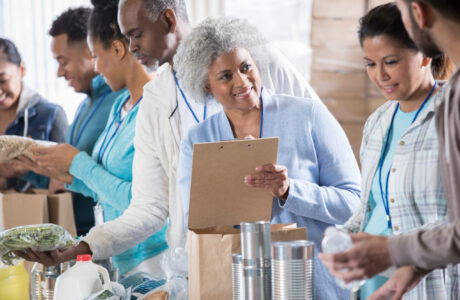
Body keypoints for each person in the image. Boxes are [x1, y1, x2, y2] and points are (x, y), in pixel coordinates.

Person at [16, 0, 322, 278]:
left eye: (136, 34)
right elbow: (148, 207)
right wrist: (82, 247)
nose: (131, 47)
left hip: (277, 255)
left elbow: (319, 138)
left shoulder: (260, 63)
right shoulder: (155, 101)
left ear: (168, 21)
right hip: (200, 267)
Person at [175, 17, 361, 300]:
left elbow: (354, 206)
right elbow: (197, 221)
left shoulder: (308, 115)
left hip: (316, 285)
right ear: (206, 86)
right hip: (240, 287)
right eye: (225, 76)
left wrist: (289, 191)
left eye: (246, 67)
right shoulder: (198, 140)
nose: (242, 81)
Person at [319, 0, 460, 299]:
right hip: (372, 278)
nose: (379, 75)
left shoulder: (451, 110)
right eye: (370, 64)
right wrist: (342, 238)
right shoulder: (377, 123)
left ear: (424, 54)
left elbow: (452, 220)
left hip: (426, 282)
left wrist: (399, 251)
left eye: (391, 61)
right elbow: (368, 207)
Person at [17, 0, 168, 277]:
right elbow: (104, 188)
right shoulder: (119, 106)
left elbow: (143, 202)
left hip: (154, 260)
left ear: (118, 49)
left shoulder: (157, 108)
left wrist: (77, 164)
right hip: (119, 258)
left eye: (96, 56)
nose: (96, 69)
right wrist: (66, 175)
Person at [47, 7, 125, 236]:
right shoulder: (84, 105)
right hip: (83, 236)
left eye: (63, 61)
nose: (59, 73)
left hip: (115, 237)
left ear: (91, 51)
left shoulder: (122, 102)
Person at [0, 38, 68, 191]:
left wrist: (27, 171)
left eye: (3, 80)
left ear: (22, 70)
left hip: (36, 212)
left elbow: (65, 181)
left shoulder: (51, 115)